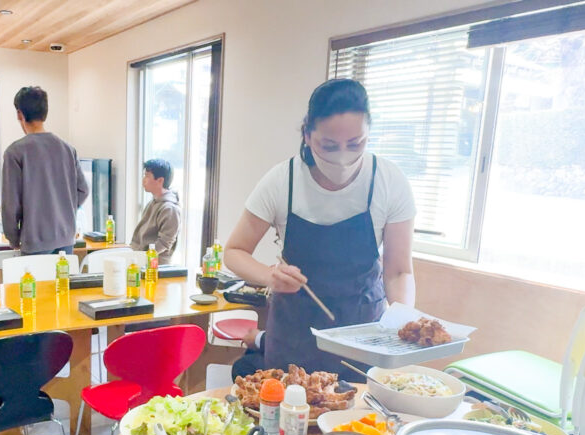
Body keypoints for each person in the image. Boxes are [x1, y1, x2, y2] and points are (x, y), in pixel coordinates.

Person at [224, 79, 416, 374]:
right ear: (307, 135)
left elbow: (399, 270)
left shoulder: (388, 181)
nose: (342, 157)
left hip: (362, 335)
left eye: (355, 144)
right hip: (293, 335)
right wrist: (269, 276)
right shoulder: (282, 181)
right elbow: (234, 251)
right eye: (329, 145)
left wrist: (405, 322)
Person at [1, 86, 88, 255]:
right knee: (62, 282)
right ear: (45, 113)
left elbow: (11, 204)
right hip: (66, 238)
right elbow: (83, 190)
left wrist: (13, 237)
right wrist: (63, 208)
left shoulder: (15, 152)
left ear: (20, 114)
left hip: (35, 241)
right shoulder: (68, 149)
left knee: (34, 282)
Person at [129, 158, 181, 261]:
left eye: (147, 176)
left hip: (154, 266)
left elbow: (165, 243)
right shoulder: (154, 202)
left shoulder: (169, 208)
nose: (144, 180)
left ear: (160, 180)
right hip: (140, 259)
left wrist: (143, 258)